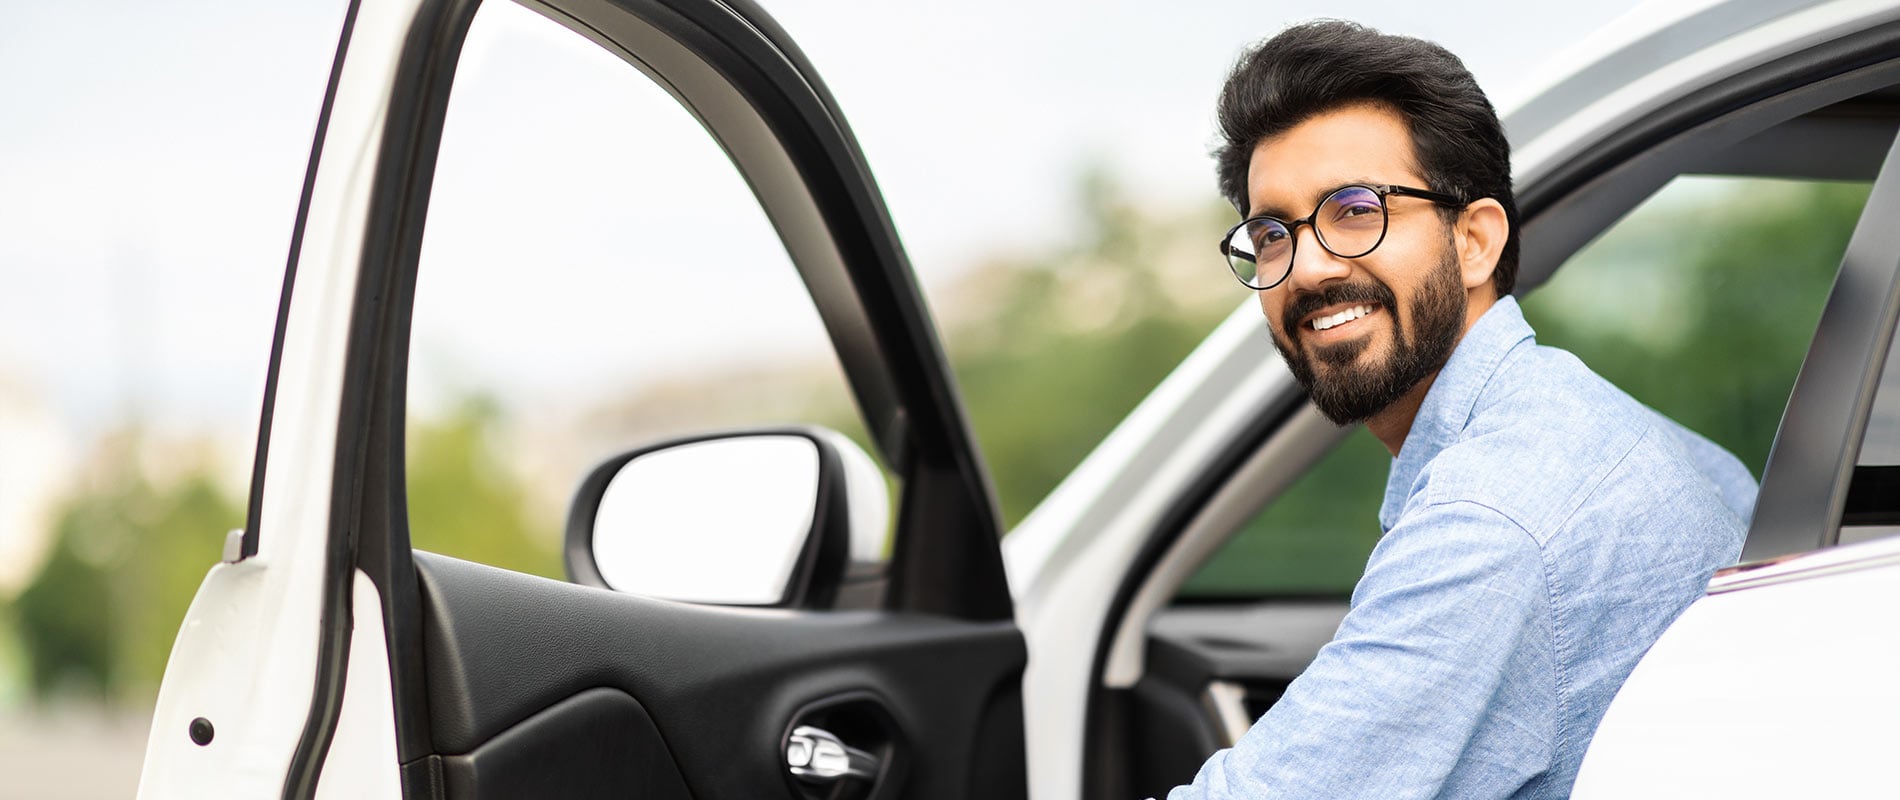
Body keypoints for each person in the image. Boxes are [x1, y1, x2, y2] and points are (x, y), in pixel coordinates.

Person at [1167, 21, 1756, 799]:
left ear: (1475, 241)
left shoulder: (1489, 521)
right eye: (1272, 233)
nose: (1304, 267)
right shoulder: (1628, 435)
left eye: (1354, 209)